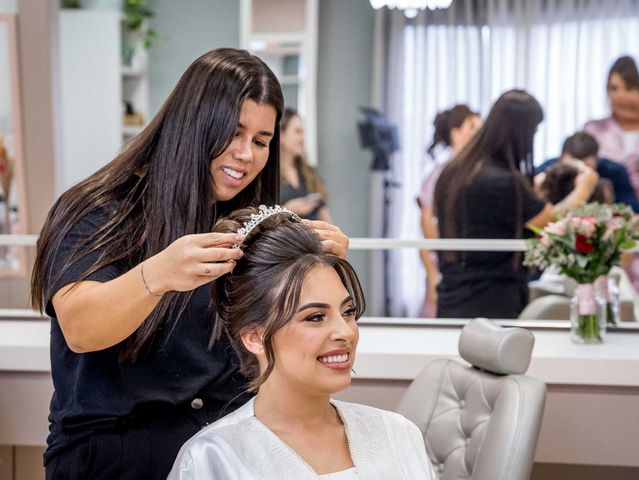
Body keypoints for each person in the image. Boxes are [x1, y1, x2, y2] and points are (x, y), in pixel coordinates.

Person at [30, 48, 348, 480]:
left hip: (225, 449)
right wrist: (157, 276)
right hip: (114, 455)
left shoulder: (247, 222)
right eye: (232, 134)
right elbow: (81, 329)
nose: (246, 154)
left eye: (260, 141)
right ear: (191, 126)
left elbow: (271, 342)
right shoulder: (98, 210)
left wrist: (318, 275)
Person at [168, 206, 435, 479]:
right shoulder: (212, 458)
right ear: (255, 337)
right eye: (316, 317)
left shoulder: (398, 435)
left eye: (348, 312)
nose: (345, 331)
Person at [433, 90, 597, 319]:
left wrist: (530, 195)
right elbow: (552, 221)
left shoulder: (454, 172)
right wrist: (584, 188)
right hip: (493, 305)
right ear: (522, 133)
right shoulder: (504, 181)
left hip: (451, 301)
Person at [417, 105, 482, 316]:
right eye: (472, 127)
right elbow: (427, 235)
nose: (479, 134)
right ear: (455, 133)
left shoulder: (483, 173)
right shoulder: (440, 176)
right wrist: (434, 276)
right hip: (446, 270)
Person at [535, 131, 639, 211]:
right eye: (571, 168)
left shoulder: (613, 172)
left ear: (596, 159)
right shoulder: (547, 171)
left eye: (585, 168)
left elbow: (631, 208)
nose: (577, 175)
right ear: (561, 158)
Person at [584, 56, 639, 199]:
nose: (620, 95)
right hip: (602, 216)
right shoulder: (593, 130)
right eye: (614, 88)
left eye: (629, 88)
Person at [280, 108, 333, 222]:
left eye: (304, 132)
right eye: (298, 132)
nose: (303, 138)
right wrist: (287, 209)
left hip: (313, 238)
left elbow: (325, 217)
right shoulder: (268, 176)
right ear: (282, 135)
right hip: (285, 238)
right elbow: (260, 220)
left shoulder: (310, 173)